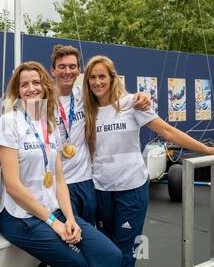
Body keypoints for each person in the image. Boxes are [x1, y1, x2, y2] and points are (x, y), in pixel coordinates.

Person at [82, 55, 214, 267]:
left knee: (125, 253)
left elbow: (167, 131)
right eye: (92, 77)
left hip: (131, 190)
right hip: (101, 190)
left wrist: (207, 149)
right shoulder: (87, 112)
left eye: (102, 76)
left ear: (112, 78)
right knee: (106, 251)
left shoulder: (132, 104)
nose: (97, 82)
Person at [0, 61, 122, 267]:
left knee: (111, 255)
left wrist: (70, 218)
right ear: (17, 91)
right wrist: (53, 222)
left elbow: (59, 179)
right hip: (22, 217)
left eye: (36, 82)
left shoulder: (49, 123)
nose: (31, 89)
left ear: (45, 86)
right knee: (80, 264)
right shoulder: (9, 121)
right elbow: (13, 186)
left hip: (53, 209)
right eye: (24, 84)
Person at [50, 45, 150, 225]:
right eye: (62, 66)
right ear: (53, 70)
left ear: (79, 70)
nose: (67, 71)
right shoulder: (42, 101)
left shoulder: (85, 97)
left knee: (93, 235)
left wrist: (142, 96)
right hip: (59, 183)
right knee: (68, 237)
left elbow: (114, 99)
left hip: (87, 182)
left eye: (72, 66)